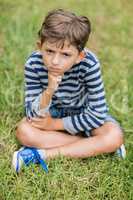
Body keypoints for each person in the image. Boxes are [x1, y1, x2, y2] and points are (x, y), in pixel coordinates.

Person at [12, 9, 126, 173]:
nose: (55, 61)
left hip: (83, 113)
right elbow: (32, 112)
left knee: (114, 136)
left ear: (79, 56)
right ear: (40, 46)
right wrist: (49, 90)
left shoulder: (89, 64)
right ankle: (93, 144)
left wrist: (54, 125)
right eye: (49, 51)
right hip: (52, 112)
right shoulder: (33, 64)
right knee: (24, 132)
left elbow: (98, 113)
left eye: (66, 54)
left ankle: (43, 155)